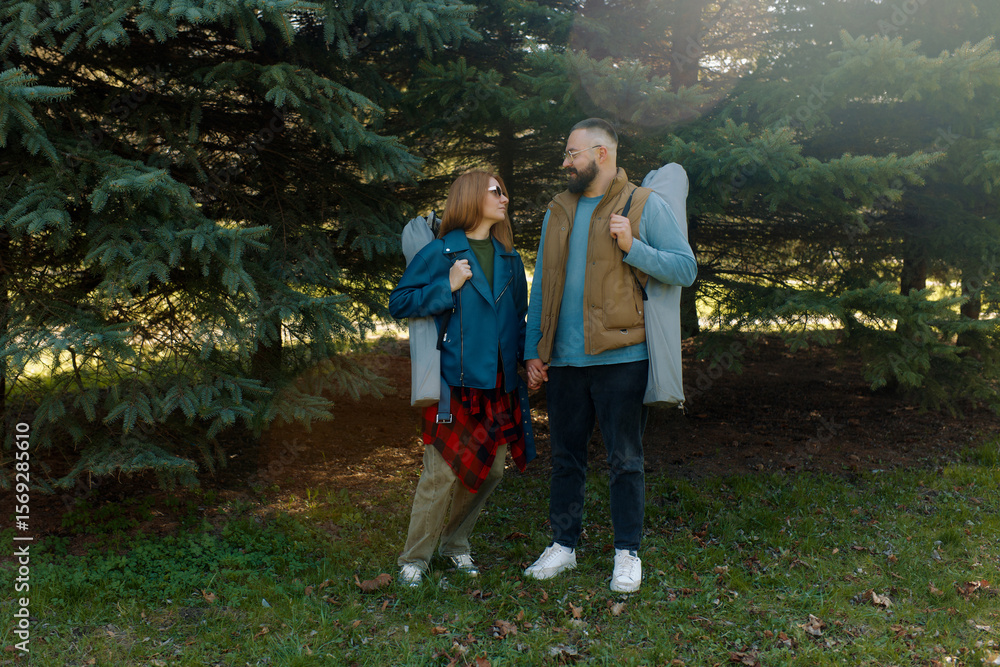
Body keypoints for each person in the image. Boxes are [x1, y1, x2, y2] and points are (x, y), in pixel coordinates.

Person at [523, 118, 697, 592]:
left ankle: (627, 553)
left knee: (625, 460)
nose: (565, 161)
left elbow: (685, 268)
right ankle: (563, 546)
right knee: (565, 459)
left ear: (601, 154)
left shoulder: (643, 204)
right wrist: (534, 348)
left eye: (572, 153)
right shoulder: (558, 210)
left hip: (623, 357)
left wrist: (633, 246)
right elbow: (542, 286)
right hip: (564, 362)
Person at [389, 170, 533, 586]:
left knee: (491, 471)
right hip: (453, 383)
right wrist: (447, 285)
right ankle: (414, 559)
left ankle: (455, 544)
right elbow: (400, 302)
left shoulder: (509, 258)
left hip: (499, 385)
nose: (504, 198)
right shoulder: (440, 252)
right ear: (470, 197)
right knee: (440, 474)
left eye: (504, 191)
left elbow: (517, 318)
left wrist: (530, 360)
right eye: (495, 191)